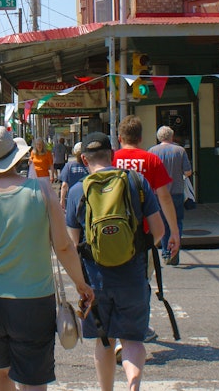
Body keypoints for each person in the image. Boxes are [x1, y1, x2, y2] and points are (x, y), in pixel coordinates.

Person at [0, 126, 94, 391]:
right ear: (15, 157)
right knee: (34, 380)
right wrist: (81, 284)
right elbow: (64, 246)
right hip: (34, 302)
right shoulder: (42, 192)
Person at [65, 133, 164, 391]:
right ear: (113, 154)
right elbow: (159, 230)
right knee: (132, 340)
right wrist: (137, 249)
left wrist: (79, 282)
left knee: (104, 341)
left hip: (95, 280)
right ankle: (133, 384)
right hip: (132, 276)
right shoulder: (136, 181)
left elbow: (71, 243)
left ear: (84, 159)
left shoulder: (78, 190)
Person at [113, 115, 179, 342]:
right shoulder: (151, 161)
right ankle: (140, 326)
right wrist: (174, 232)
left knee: (116, 280)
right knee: (142, 281)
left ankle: (119, 328)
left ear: (119, 137)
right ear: (141, 138)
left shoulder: (111, 159)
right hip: (145, 234)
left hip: (115, 234)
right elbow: (165, 198)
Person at [148, 126, 193, 265]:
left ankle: (166, 253)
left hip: (158, 193)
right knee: (177, 221)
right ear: (172, 137)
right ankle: (175, 250)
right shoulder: (180, 150)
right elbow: (188, 172)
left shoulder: (152, 152)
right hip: (177, 192)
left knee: (163, 223)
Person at [59, 141, 89, 210]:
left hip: (72, 198)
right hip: (87, 197)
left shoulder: (69, 166)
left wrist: (62, 199)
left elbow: (64, 185)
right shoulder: (90, 165)